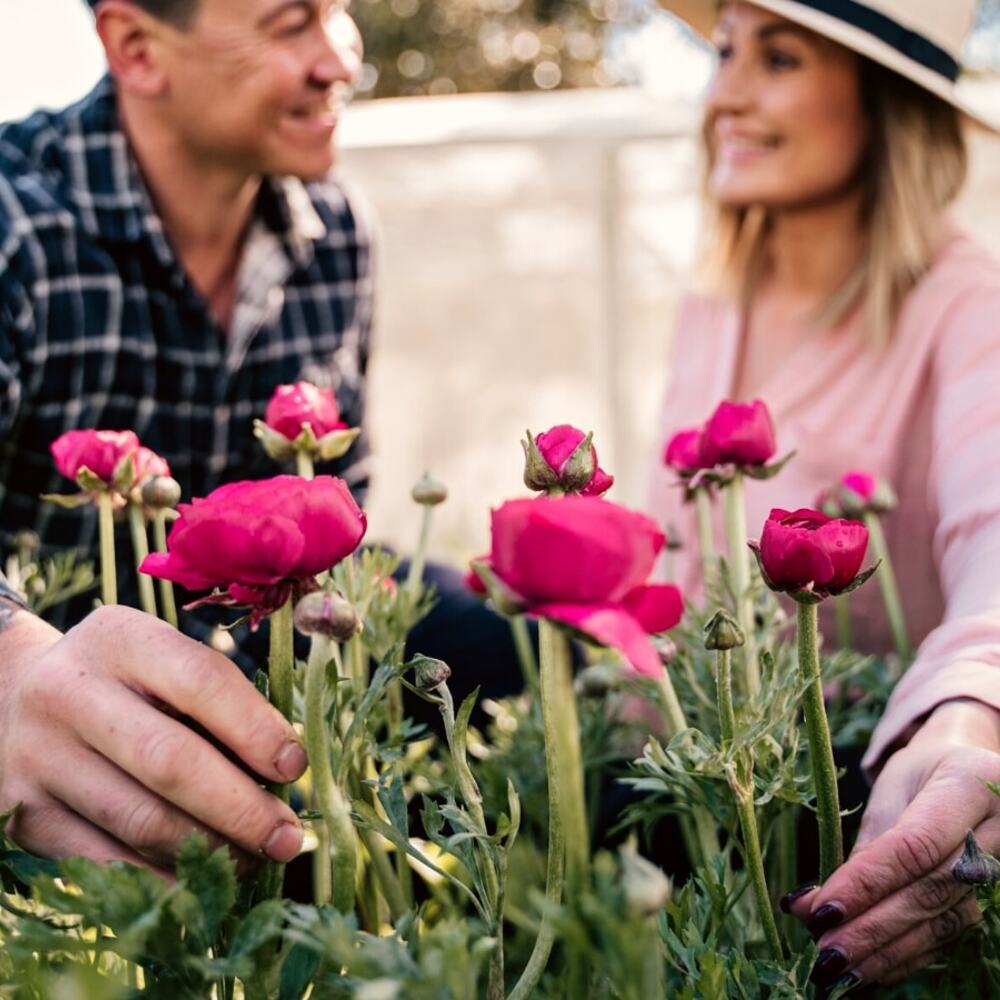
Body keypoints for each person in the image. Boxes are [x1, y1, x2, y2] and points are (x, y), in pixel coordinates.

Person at [651, 0, 1000, 990]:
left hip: (857, 811)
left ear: (885, 102)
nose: (725, 94)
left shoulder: (967, 306)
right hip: (686, 794)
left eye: (780, 56)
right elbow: (663, 555)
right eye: (723, 53)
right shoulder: (715, 294)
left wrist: (973, 712)